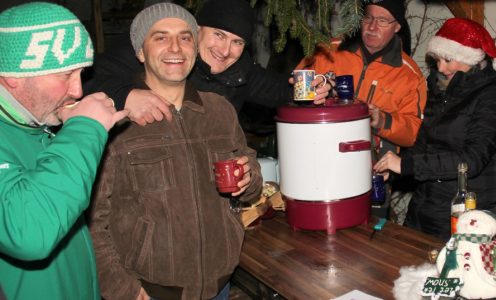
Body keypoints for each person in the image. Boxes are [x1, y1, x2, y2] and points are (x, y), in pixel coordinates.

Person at [87, 3, 262, 299]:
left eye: (185, 37)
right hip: (149, 291)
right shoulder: (114, 120)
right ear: (140, 52)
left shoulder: (219, 110)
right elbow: (93, 220)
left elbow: (250, 172)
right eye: (160, 37)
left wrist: (249, 177)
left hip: (220, 284)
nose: (175, 48)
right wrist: (120, 288)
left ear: (195, 49)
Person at [0, 2, 127, 299]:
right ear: (12, 76)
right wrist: (84, 128)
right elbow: (29, 232)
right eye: (65, 75)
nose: (78, 91)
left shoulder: (34, 126)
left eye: (81, 74)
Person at [373, 18, 496, 241]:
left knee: (450, 275)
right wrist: (398, 171)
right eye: (437, 60)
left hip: (465, 213)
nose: (440, 68)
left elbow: (471, 160)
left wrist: (407, 164)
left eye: (448, 60)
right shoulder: (440, 92)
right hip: (424, 207)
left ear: (471, 59)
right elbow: (423, 145)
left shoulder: (494, 98)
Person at [84, 0, 330, 126]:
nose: (225, 51)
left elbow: (280, 89)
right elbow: (84, 81)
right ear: (197, 30)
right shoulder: (159, 54)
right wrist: (125, 95)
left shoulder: (240, 71)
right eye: (219, 35)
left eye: (237, 42)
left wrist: (313, 90)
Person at [296, 0, 427, 218]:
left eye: (383, 20)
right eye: (368, 17)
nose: (372, 26)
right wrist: (312, 94)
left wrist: (382, 120)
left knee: (366, 240)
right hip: (318, 161)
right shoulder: (328, 50)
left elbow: (413, 132)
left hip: (371, 172)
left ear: (397, 27)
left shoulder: (409, 75)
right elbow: (295, 90)